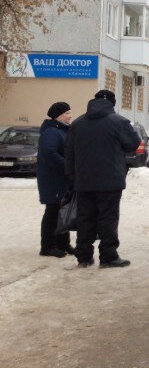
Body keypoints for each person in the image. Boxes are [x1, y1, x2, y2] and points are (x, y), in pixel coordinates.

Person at [64, 89, 140, 268]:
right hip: (110, 181)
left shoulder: (77, 123)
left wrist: (72, 178)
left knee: (85, 218)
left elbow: (69, 153)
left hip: (83, 181)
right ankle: (108, 256)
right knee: (108, 218)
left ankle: (83, 256)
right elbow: (133, 143)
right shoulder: (119, 122)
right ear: (112, 103)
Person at [36, 102, 73, 258]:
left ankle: (63, 244)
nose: (70, 116)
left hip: (61, 179)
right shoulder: (51, 132)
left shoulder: (61, 131)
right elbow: (50, 154)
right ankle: (47, 247)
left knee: (62, 212)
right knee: (52, 212)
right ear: (58, 115)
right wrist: (68, 166)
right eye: (67, 113)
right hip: (53, 180)